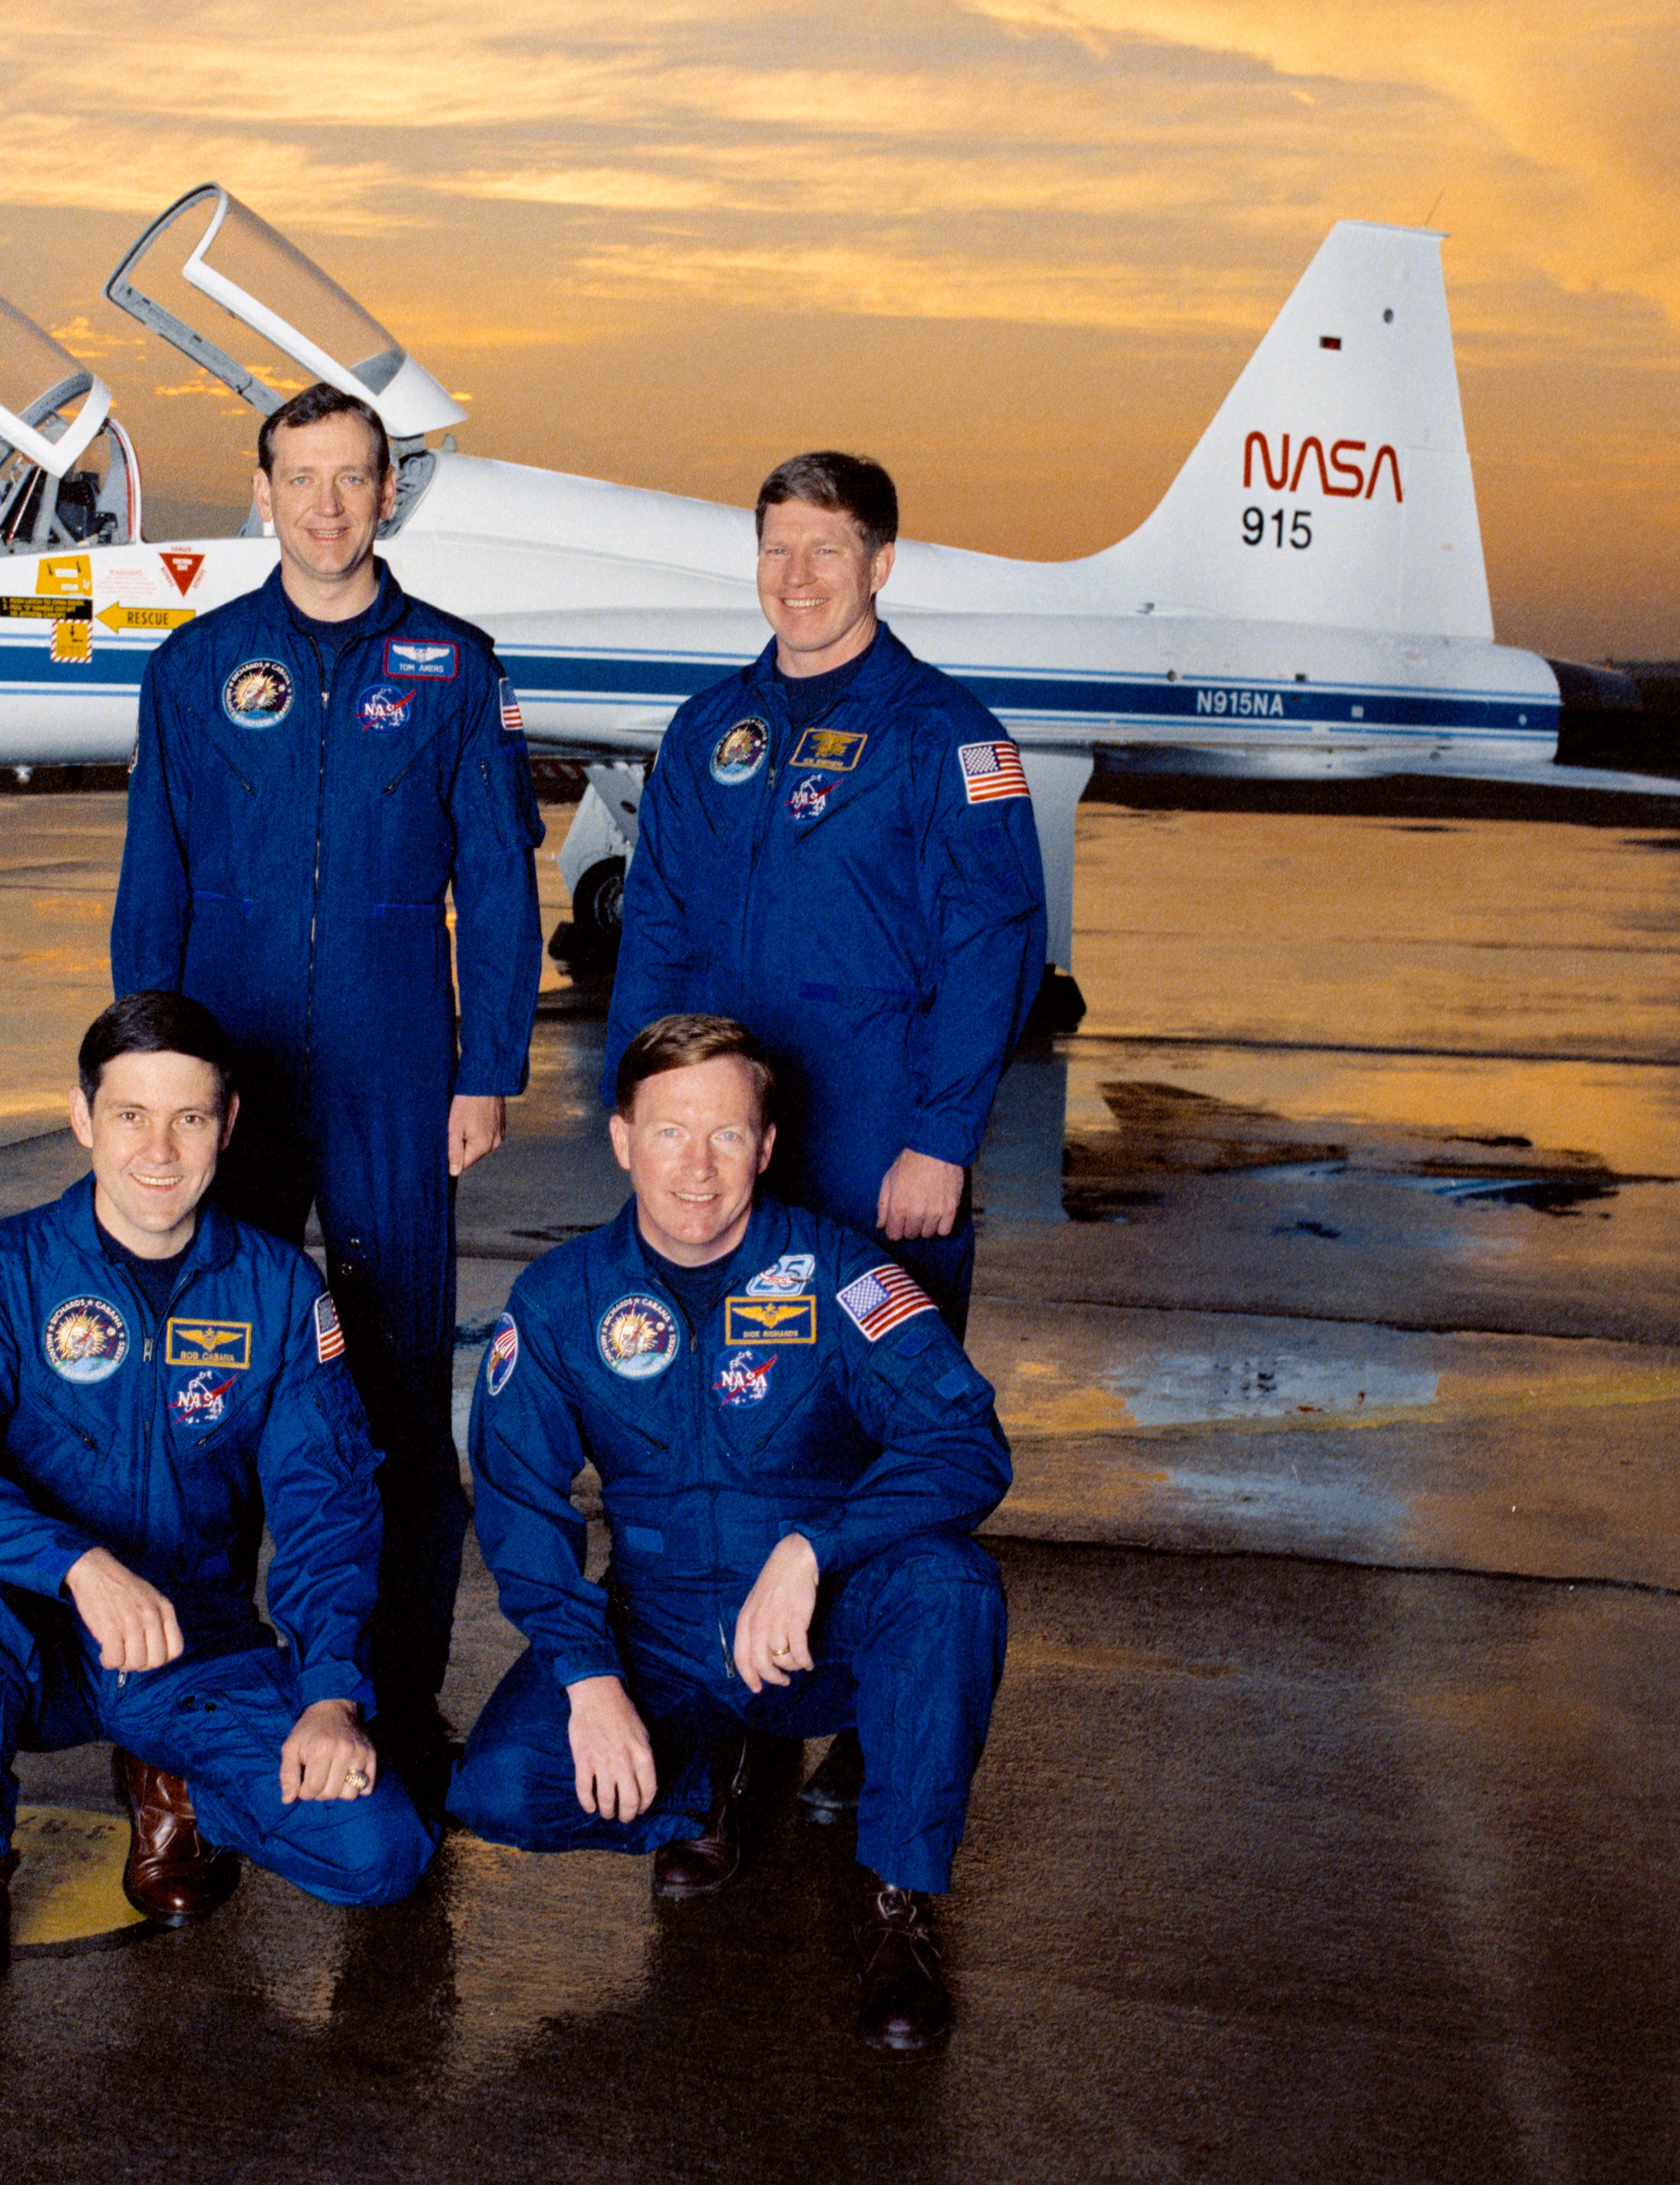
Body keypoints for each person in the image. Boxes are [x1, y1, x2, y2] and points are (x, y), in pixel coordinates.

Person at [111, 382, 546, 1760]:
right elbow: (152, 887)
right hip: (223, 1071)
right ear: (260, 491)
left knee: (404, 1397)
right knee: (206, 1389)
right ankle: (208, 1692)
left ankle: (395, 1700)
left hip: (392, 1070)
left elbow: (496, 880)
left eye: (353, 476)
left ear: (387, 492)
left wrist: (486, 1071)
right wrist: (143, 1083)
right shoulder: (193, 667)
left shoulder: (456, 667)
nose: (326, 503)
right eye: (300, 477)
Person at [447, 1015, 1010, 2052]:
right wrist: (588, 1677)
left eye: (725, 1135)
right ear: (621, 1140)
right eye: (669, 1133)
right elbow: (518, 1503)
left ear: (767, 1145)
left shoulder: (838, 1276)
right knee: (498, 1786)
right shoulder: (564, 1300)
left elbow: (966, 1440)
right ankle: (703, 1783)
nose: (696, 1168)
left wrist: (815, 1550)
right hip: (657, 1628)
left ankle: (897, 1902)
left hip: (817, 1631)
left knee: (951, 1588)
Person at [0, 992, 437, 2023]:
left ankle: (170, 1775)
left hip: (190, 1647)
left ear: (229, 1125)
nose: (159, 1149)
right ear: (83, 1119)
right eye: (131, 1115)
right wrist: (76, 1565)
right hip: (32, 1638)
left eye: (189, 1117)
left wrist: (329, 1695)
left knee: (382, 1854)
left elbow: (328, 1509)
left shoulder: (276, 1290)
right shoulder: (2, 1275)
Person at [605, 450, 1046, 1340]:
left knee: (884, 1398)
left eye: (825, 551)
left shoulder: (947, 738)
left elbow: (991, 949)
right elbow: (656, 931)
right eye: (776, 550)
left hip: (876, 1133)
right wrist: (640, 1107)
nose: (795, 577)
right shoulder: (706, 730)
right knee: (731, 1389)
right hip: (721, 1134)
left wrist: (941, 1140)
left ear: (879, 564)